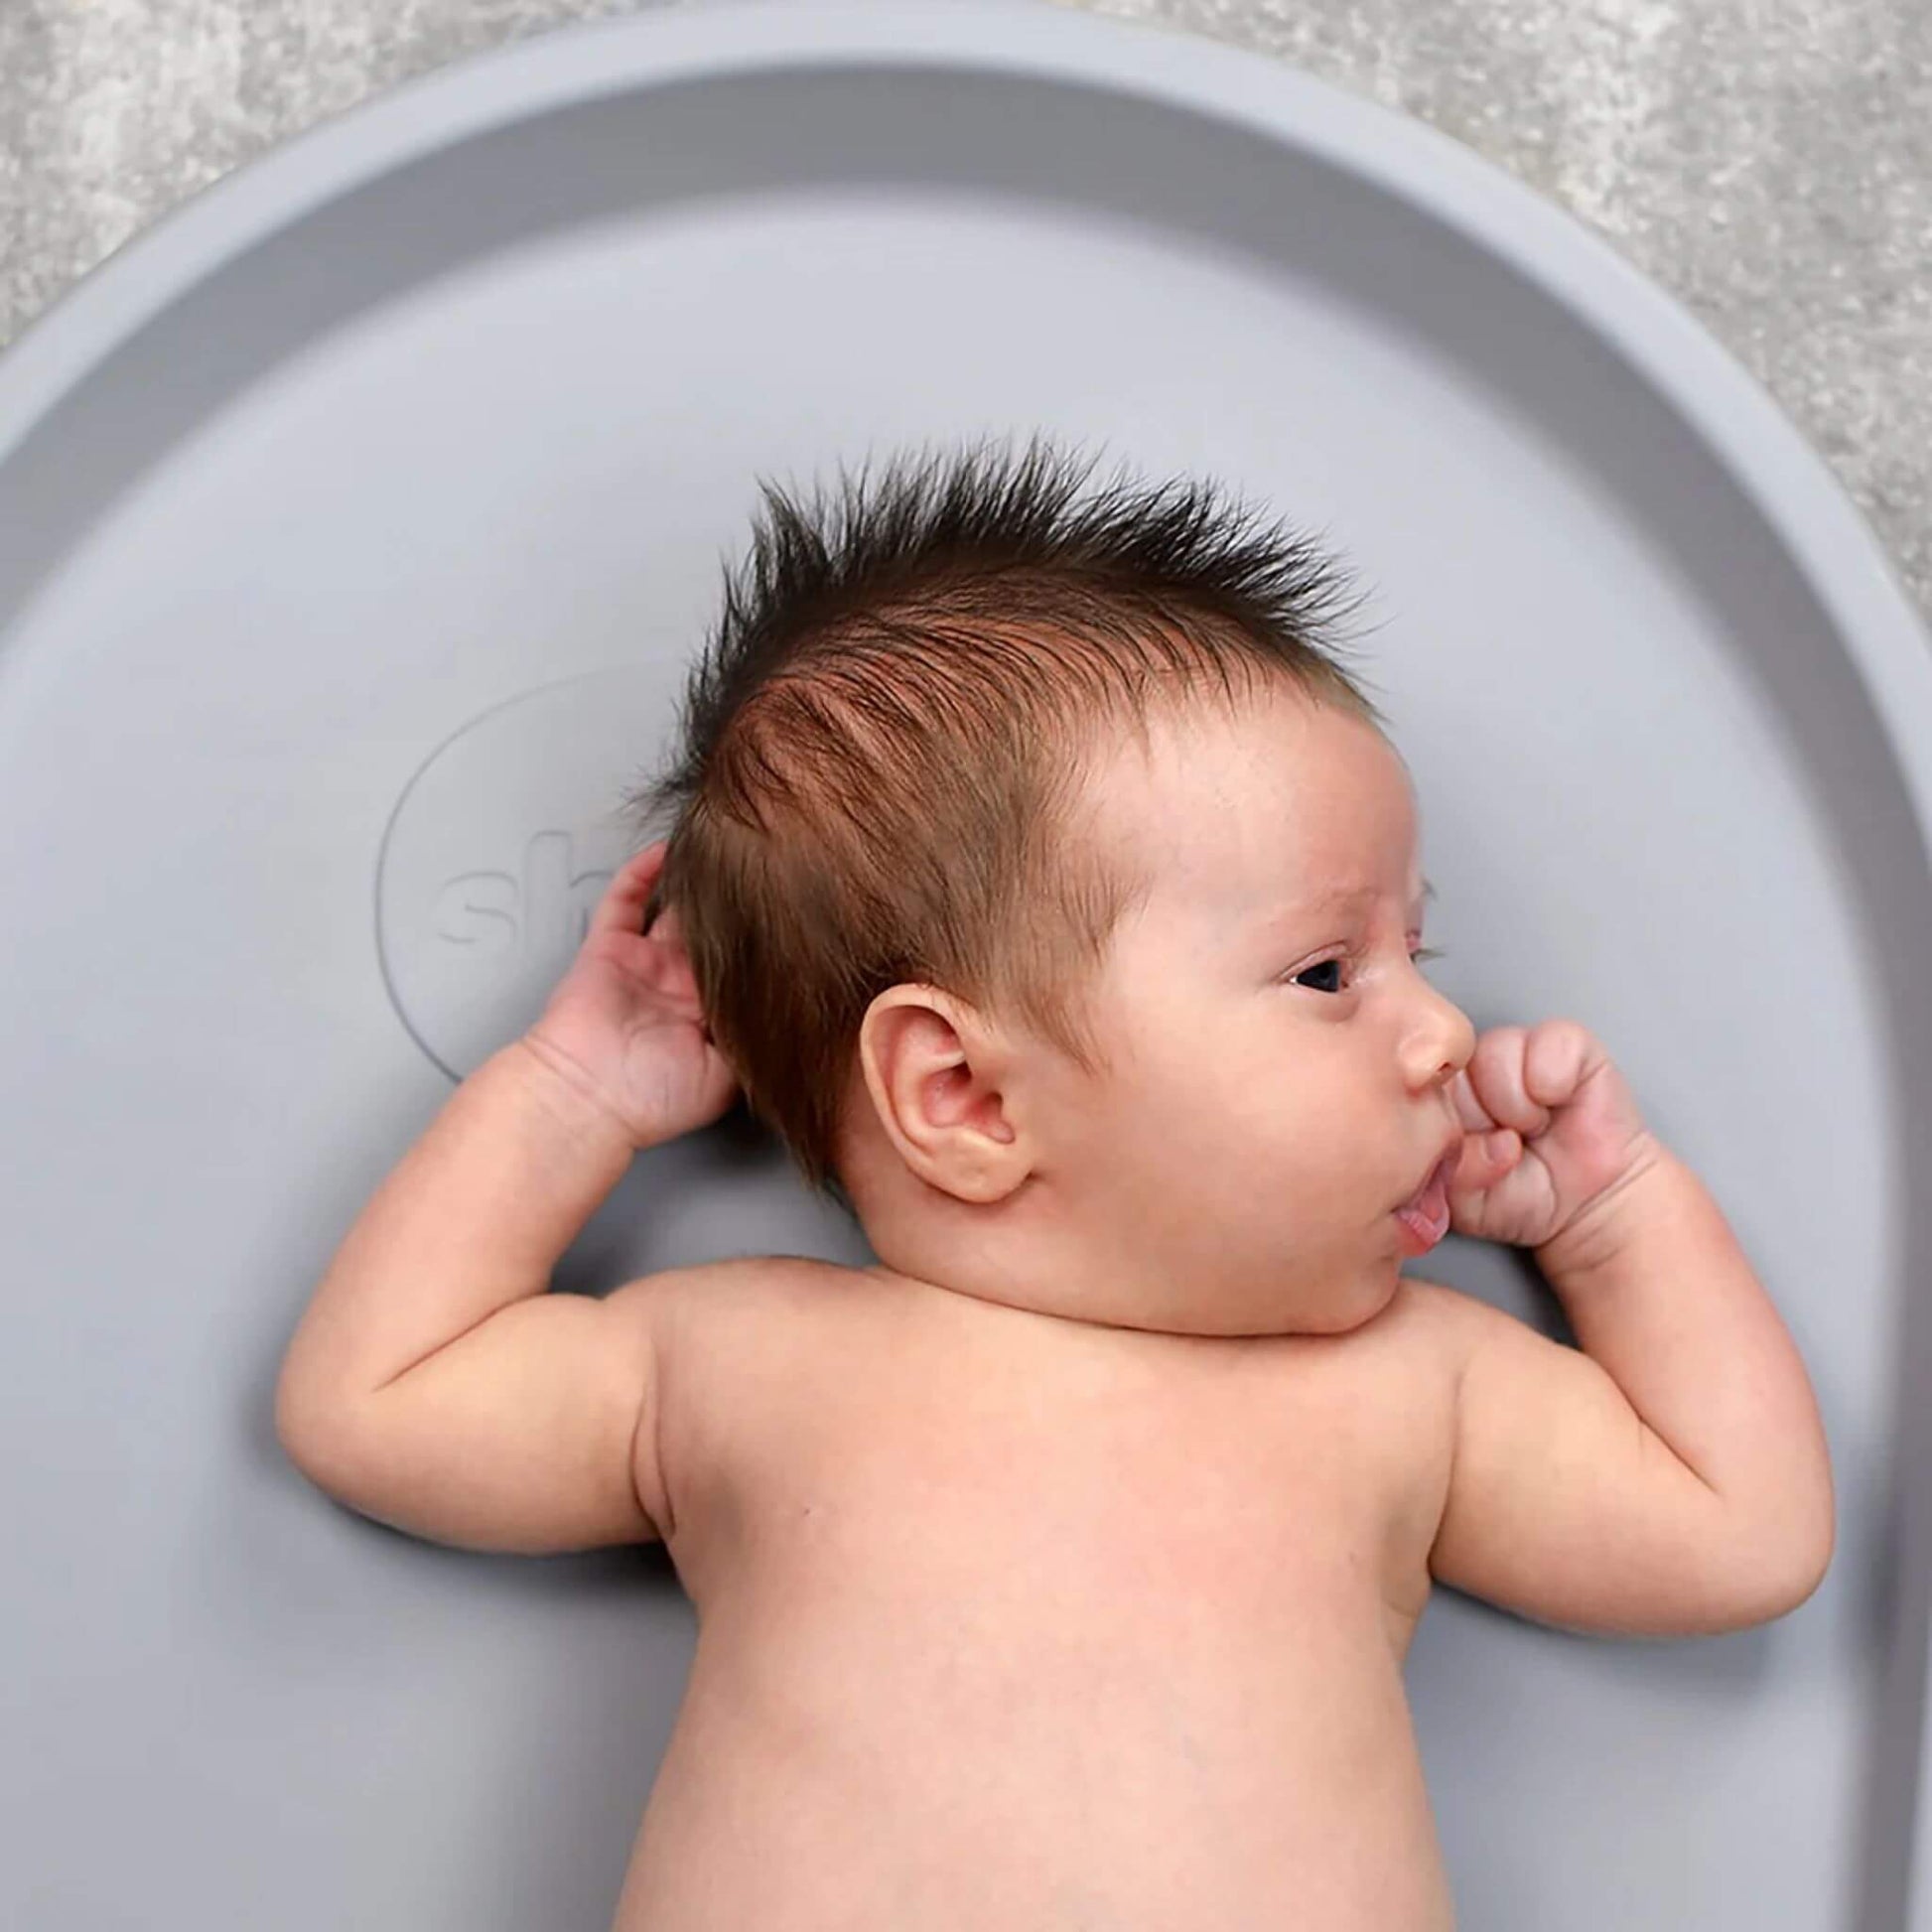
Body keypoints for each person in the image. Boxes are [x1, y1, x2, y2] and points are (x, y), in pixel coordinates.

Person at [273, 432, 1835, 1930]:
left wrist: (1614, 1215)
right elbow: (377, 1399)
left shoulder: (1403, 1388)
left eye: (1414, 955)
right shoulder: (738, 1357)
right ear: (960, 1094)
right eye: (1323, 968)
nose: (1440, 1030)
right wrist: (576, 1092)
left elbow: (1736, 1533)